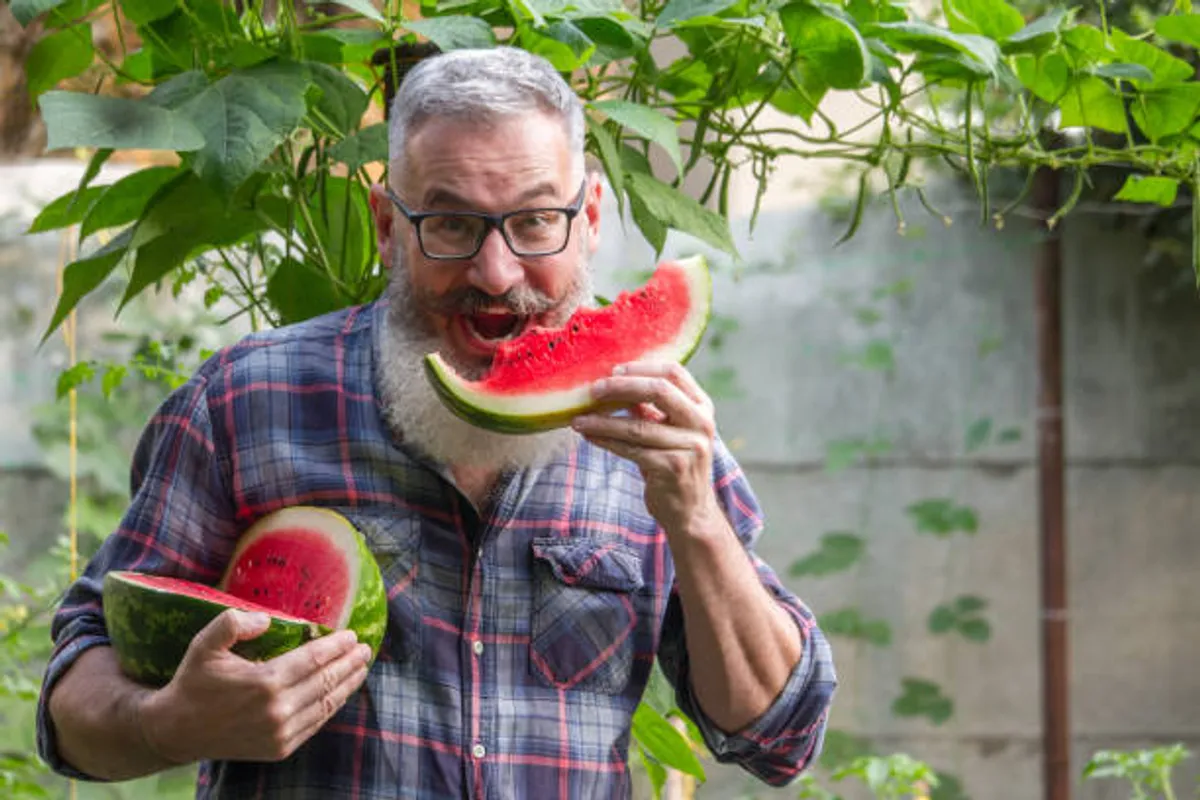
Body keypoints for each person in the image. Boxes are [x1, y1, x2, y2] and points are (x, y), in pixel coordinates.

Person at [36, 46, 837, 799]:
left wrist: (695, 519)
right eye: (451, 224)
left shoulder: (656, 428)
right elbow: (73, 697)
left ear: (590, 216)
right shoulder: (246, 403)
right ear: (389, 227)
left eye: (535, 220)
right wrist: (168, 723)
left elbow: (779, 736)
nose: (495, 272)